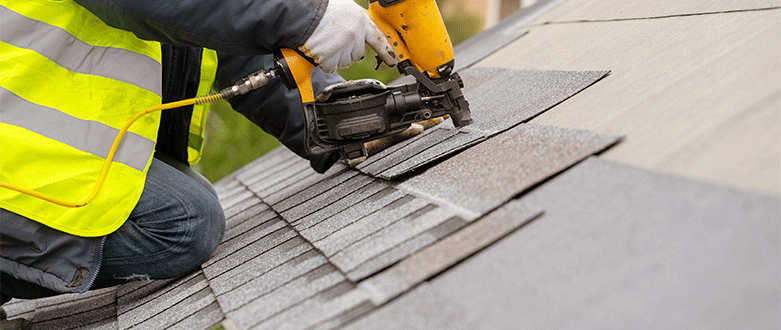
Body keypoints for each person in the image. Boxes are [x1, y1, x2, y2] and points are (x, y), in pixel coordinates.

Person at [0, 0, 397, 325]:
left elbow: (221, 39)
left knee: (188, 202)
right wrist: (304, 17)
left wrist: (338, 121)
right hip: (13, 152)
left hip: (31, 138)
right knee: (184, 222)